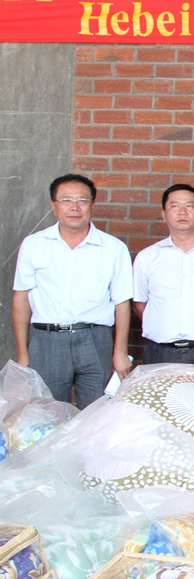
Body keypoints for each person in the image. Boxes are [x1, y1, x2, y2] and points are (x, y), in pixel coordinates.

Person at [12, 173, 133, 407]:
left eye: (82, 201)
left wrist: (120, 352)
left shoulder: (113, 248)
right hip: (47, 340)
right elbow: (21, 299)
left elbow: (122, 303)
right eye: (66, 200)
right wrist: (23, 354)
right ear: (53, 205)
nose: (75, 207)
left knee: (96, 413)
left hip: (95, 340)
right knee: (47, 414)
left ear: (92, 205)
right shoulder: (34, 244)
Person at [132, 184, 194, 369]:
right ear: (164, 214)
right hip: (160, 351)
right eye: (175, 206)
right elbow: (139, 303)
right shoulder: (147, 257)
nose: (182, 212)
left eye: (189, 206)